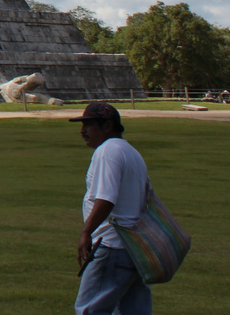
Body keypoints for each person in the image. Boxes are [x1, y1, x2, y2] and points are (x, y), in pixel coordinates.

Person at [71, 101, 151, 315]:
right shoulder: (131, 152)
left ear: (107, 126)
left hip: (111, 245)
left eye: (88, 125)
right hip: (134, 246)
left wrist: (86, 232)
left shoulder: (107, 151)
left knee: (91, 309)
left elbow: (106, 199)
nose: (82, 131)